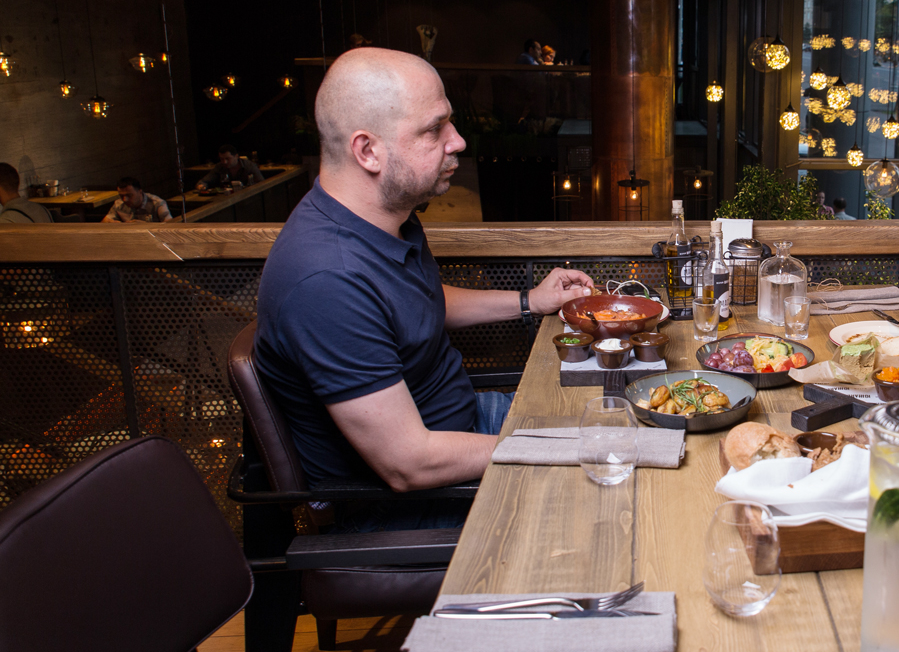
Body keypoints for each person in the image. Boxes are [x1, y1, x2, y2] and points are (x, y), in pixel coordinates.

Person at [255, 47, 594, 532]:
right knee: (614, 486)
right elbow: (409, 463)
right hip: (412, 503)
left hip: (464, 424)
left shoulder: (382, 219)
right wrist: (564, 447)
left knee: (617, 417)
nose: (457, 142)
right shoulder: (326, 280)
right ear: (368, 151)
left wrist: (529, 301)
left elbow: (416, 300)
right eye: (434, 130)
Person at [195, 144, 264, 191]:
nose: (224, 162)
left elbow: (261, 184)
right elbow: (204, 181)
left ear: (236, 156)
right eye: (222, 159)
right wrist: (201, 186)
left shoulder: (249, 166)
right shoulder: (220, 166)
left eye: (228, 159)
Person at [103, 177, 171, 223]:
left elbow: (170, 226)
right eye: (121, 196)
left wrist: (143, 226)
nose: (125, 199)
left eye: (129, 195)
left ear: (140, 192)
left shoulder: (157, 203)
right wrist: (113, 223)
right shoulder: (119, 204)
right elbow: (104, 223)